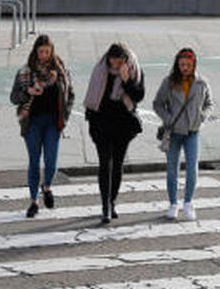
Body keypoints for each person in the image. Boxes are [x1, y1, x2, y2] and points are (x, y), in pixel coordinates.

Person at [10, 34, 74, 218]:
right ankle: (33, 201)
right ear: (35, 52)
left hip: (53, 122)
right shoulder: (25, 72)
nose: (44, 55)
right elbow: (14, 97)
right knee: (34, 161)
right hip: (32, 122)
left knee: (52, 161)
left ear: (52, 51)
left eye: (47, 51)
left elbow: (71, 95)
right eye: (40, 52)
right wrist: (27, 92)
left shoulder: (60, 71)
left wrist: (66, 116)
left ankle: (46, 187)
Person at [84, 42, 145, 224]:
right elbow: (93, 95)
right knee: (105, 163)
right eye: (113, 62)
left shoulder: (134, 69)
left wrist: (126, 81)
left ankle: (113, 201)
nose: (115, 66)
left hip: (123, 124)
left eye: (119, 62)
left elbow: (139, 96)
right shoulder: (100, 68)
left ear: (125, 60)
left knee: (117, 163)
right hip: (101, 122)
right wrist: (92, 120)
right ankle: (105, 206)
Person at [153, 48, 213, 220]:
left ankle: (188, 202)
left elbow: (209, 103)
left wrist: (202, 116)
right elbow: (157, 104)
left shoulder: (201, 83)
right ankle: (173, 203)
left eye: (188, 65)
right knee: (172, 169)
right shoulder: (169, 82)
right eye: (181, 65)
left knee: (192, 168)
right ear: (177, 65)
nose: (184, 68)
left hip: (193, 131)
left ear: (194, 64)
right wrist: (168, 118)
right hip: (174, 132)